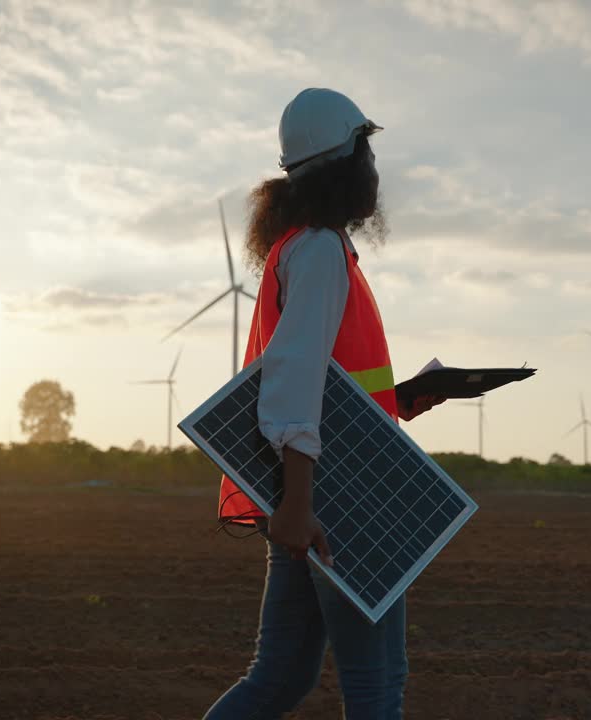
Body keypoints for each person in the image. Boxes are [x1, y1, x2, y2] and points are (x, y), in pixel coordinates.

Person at [204, 88, 443, 720]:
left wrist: (403, 400)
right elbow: (293, 377)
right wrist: (301, 505)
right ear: (347, 159)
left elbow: (330, 378)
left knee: (278, 679)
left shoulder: (301, 247)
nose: (373, 165)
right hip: (337, 498)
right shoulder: (320, 250)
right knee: (375, 686)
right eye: (366, 148)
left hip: (311, 490)